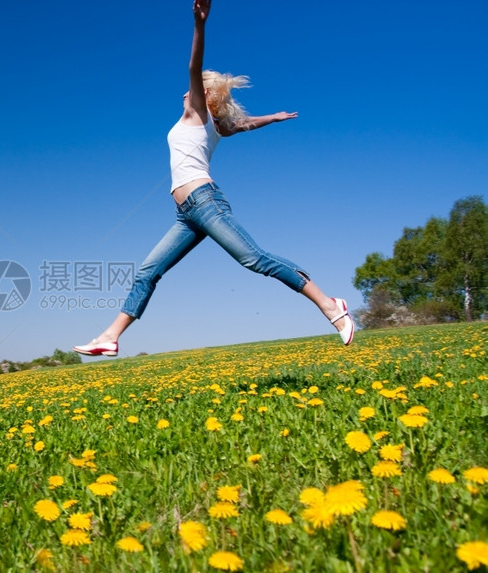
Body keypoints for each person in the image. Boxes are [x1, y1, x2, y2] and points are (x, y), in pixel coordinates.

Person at [73, 0, 354, 357]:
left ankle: (330, 305)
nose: (184, 91)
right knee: (148, 271)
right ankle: (110, 337)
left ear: (203, 94)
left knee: (254, 259)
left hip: (205, 203)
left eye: (191, 88)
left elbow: (194, 64)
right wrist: (274, 117)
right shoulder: (216, 127)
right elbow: (243, 125)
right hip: (187, 214)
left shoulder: (196, 113)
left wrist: (199, 24)